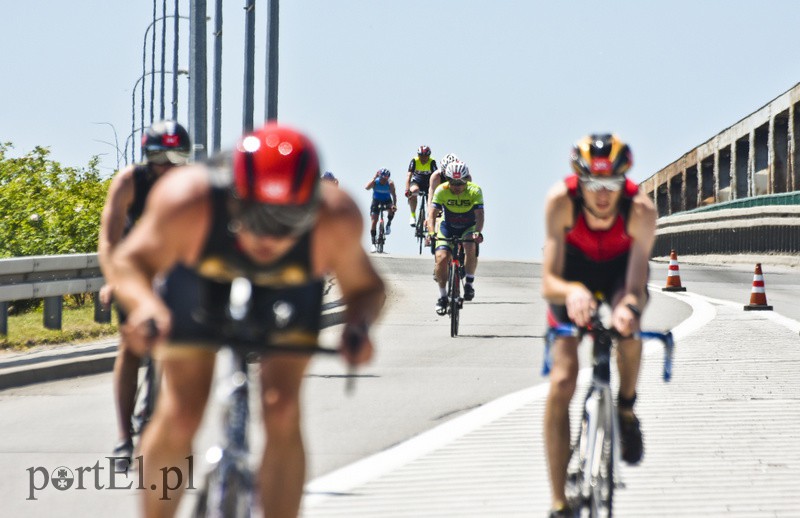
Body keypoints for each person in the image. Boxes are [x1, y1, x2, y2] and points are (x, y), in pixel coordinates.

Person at [110, 124, 385, 518]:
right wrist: (146, 307)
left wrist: (359, 326)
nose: (270, 237)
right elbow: (129, 262)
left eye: (288, 220)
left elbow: (367, 289)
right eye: (258, 217)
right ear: (233, 197)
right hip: (201, 277)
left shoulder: (335, 216)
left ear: (312, 205)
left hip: (288, 284)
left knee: (283, 407)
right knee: (183, 410)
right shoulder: (188, 199)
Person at [540, 133, 656, 517]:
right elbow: (549, 281)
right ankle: (559, 502)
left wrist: (627, 307)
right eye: (593, 185)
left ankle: (625, 408)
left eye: (611, 185)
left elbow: (635, 286)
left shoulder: (640, 210)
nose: (603, 195)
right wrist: (572, 291)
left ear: (624, 183)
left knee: (630, 330)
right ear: (579, 182)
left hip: (620, 274)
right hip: (572, 276)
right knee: (562, 379)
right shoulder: (560, 202)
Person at [97, 120, 191, 470]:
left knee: (175, 347)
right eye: (159, 157)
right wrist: (113, 280)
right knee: (131, 346)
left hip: (176, 267)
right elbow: (109, 242)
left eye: (176, 156)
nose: (167, 165)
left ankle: (157, 419)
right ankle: (124, 437)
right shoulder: (129, 182)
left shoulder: (191, 186)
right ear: (146, 157)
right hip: (134, 269)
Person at [425, 161, 484, 314]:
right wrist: (431, 232)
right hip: (448, 226)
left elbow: (480, 215)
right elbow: (432, 214)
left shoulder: (475, 190)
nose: (457, 187)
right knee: (441, 257)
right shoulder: (441, 190)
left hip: (468, 226)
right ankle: (442, 296)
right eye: (453, 182)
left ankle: (469, 283)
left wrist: (477, 232)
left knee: (470, 245)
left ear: (467, 179)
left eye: (461, 183)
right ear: (447, 180)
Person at [364, 168, 397, 252]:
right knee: (374, 221)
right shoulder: (375, 182)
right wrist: (374, 178)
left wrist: (394, 205)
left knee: (392, 209)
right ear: (380, 177)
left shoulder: (390, 183)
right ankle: (373, 244)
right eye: (382, 178)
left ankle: (388, 224)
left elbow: (394, 195)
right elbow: (366, 188)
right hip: (376, 201)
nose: (383, 180)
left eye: (386, 179)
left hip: (387, 201)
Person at [404, 145, 437, 226]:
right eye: (421, 156)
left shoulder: (432, 162)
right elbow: (409, 176)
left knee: (431, 201)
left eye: (425, 157)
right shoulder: (414, 161)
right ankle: (412, 215)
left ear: (429, 156)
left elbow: (437, 176)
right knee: (413, 192)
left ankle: (429, 218)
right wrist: (407, 190)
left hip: (428, 184)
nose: (423, 159)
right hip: (417, 182)